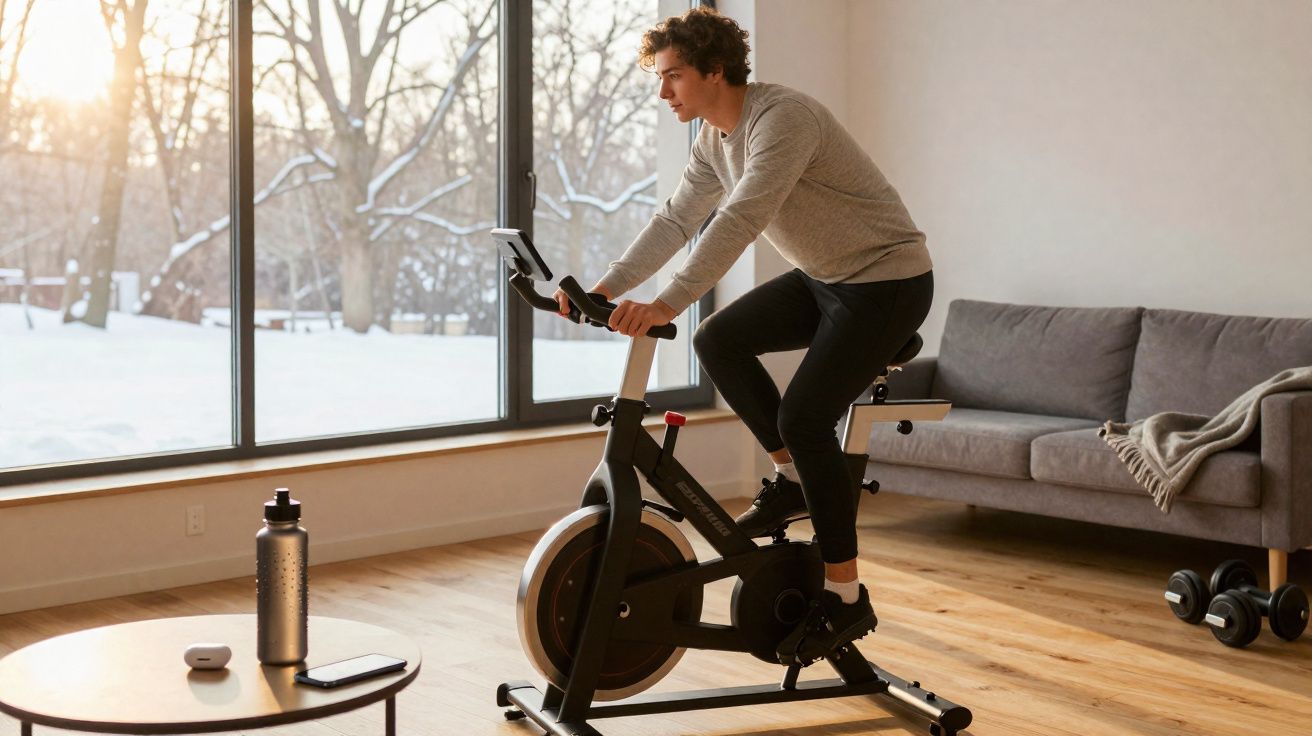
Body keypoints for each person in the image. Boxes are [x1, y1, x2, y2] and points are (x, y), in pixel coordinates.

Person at [553, 6, 933, 663]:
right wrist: (608, 287)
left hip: (888, 283)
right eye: (659, 78)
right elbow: (678, 220)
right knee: (717, 341)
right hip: (826, 280)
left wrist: (668, 300)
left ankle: (845, 598)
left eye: (673, 77)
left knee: (807, 416)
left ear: (715, 70)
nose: (663, 92)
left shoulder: (782, 120)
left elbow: (742, 218)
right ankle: (790, 481)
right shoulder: (710, 139)